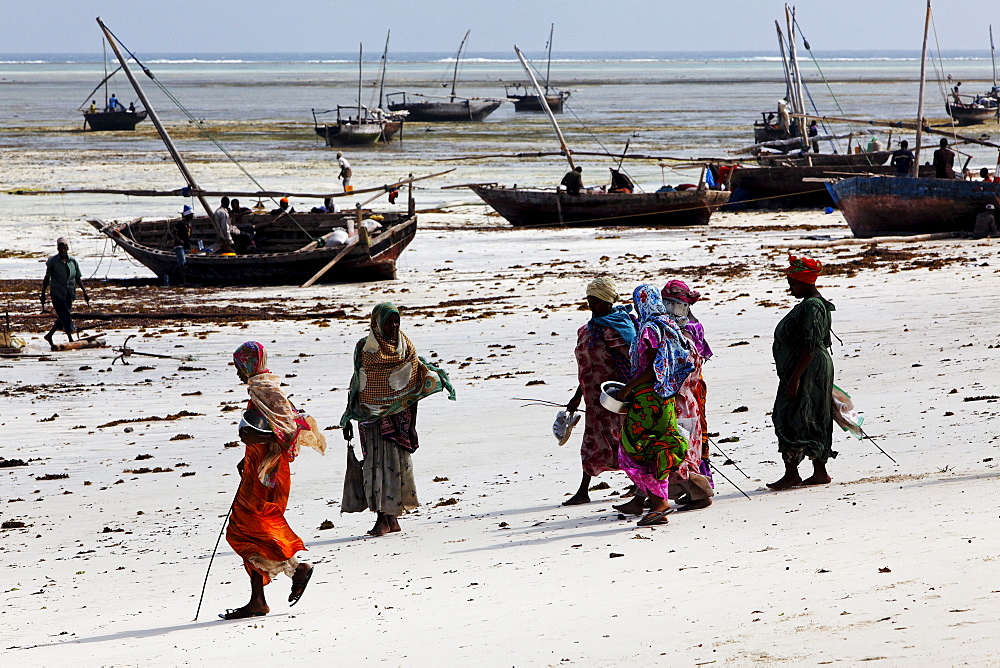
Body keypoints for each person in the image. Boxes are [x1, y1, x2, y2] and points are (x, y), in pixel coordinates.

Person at [222, 342, 327, 620]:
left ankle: (297, 568)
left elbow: (288, 431)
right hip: (258, 470)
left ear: (249, 365)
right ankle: (257, 600)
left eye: (239, 366)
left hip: (268, 476)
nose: (237, 373)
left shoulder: (265, 391)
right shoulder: (264, 389)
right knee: (245, 532)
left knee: (249, 528)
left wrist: (255, 439)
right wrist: (248, 457)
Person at [340, 303, 456, 537]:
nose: (393, 326)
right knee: (374, 466)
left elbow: (414, 382)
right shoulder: (364, 347)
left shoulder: (405, 348)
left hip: (396, 418)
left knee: (391, 465)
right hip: (368, 417)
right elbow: (357, 380)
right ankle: (389, 518)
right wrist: (349, 414)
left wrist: (411, 423)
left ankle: (385, 518)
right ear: (377, 324)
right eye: (389, 322)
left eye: (396, 321)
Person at [612, 285, 695, 527]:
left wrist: (627, 389)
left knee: (632, 451)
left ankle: (659, 503)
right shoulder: (668, 324)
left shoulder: (650, 328)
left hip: (649, 400)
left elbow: (652, 368)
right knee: (657, 447)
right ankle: (656, 501)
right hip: (665, 398)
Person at [563, 277, 637, 506]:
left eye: (595, 301)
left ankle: (639, 485)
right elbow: (586, 366)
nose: (591, 306)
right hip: (593, 402)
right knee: (592, 443)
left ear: (607, 302)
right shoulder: (585, 331)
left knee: (625, 441)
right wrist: (578, 396)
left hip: (615, 398)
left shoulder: (616, 329)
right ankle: (583, 490)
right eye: (589, 301)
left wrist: (629, 393)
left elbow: (630, 362)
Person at [767, 256, 837, 491]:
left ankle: (792, 473)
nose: (790, 287)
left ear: (805, 281)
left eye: (793, 282)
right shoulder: (816, 304)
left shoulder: (811, 306)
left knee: (789, 414)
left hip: (807, 370)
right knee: (815, 413)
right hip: (812, 368)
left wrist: (795, 378)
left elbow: (809, 345)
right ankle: (819, 471)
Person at [662, 279, 715, 505]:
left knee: (685, 442)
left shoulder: (688, 332)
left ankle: (699, 490)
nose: (671, 310)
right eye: (667, 304)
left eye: (676, 305)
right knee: (687, 441)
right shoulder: (673, 331)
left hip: (687, 393)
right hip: (687, 393)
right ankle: (686, 489)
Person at [40, 238, 90, 349]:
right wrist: (43, 294)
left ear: (67, 248)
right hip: (57, 293)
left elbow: (78, 278)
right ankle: (70, 336)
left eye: (64, 247)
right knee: (66, 314)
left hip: (69, 293)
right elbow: (47, 278)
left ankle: (50, 335)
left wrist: (84, 292)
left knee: (63, 316)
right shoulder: (52, 262)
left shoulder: (73, 261)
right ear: (57, 248)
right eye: (60, 247)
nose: (62, 249)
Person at [171, 205, 193, 285]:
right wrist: (178, 240)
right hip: (179, 246)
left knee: (182, 263)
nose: (192, 217)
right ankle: (182, 281)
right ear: (187, 215)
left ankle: (178, 279)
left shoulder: (188, 225)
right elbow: (173, 232)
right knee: (182, 263)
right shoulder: (180, 223)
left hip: (186, 246)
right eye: (191, 215)